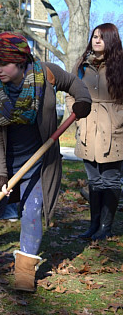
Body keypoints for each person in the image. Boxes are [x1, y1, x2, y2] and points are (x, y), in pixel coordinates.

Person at [0, 32, 91, 293]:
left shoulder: (47, 74)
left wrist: (83, 100)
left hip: (39, 163)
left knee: (32, 213)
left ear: (20, 61)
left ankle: (25, 272)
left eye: (2, 64)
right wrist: (0, 174)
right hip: (2, 163)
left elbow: (75, 83)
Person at [71, 23, 123, 240]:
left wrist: (119, 120)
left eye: (102, 37)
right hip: (87, 128)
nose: (97, 40)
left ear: (111, 40)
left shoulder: (120, 66)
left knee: (110, 179)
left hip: (114, 131)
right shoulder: (82, 65)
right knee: (94, 181)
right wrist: (77, 116)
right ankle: (93, 225)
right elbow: (70, 90)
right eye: (94, 36)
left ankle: (105, 227)